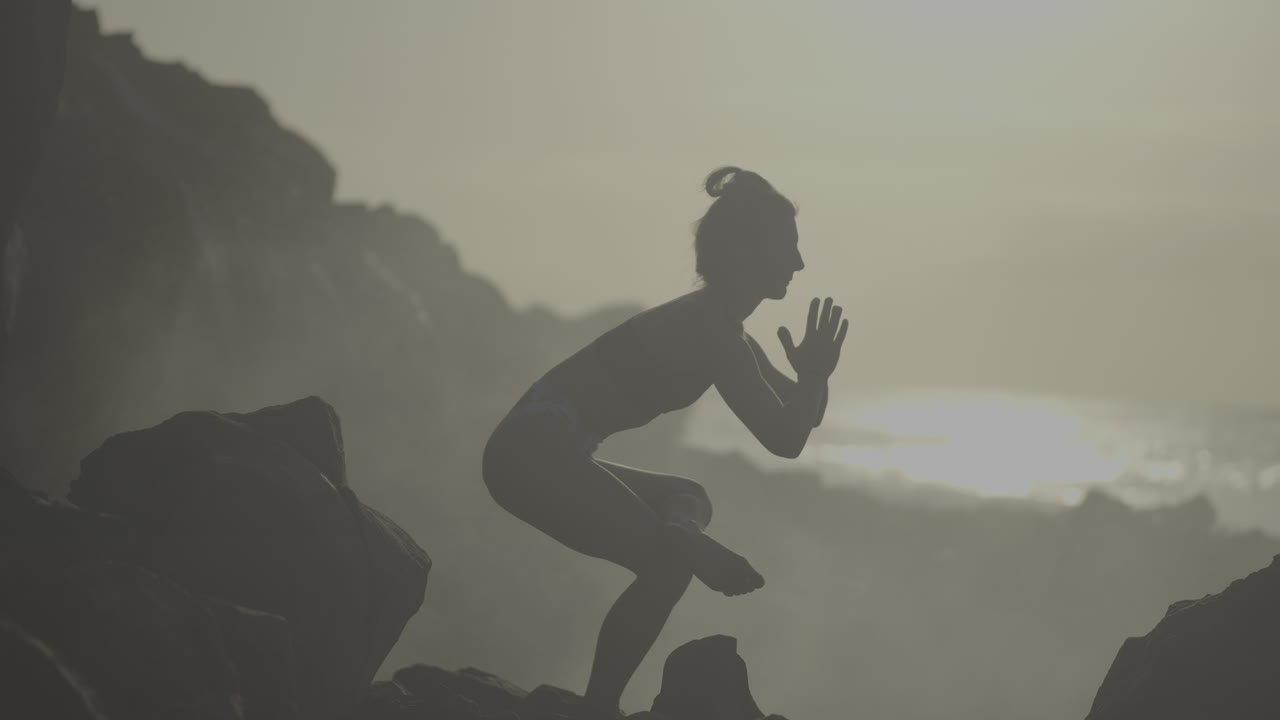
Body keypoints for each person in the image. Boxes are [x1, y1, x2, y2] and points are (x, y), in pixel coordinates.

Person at [481, 166, 848, 717]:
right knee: (665, 566)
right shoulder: (711, 332)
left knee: (690, 494)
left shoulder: (724, 330)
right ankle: (599, 705)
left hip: (543, 451)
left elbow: (800, 419)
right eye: (789, 248)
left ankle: (682, 533)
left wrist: (815, 376)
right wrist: (814, 380)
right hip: (533, 454)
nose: (799, 264)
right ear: (748, 252)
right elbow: (785, 440)